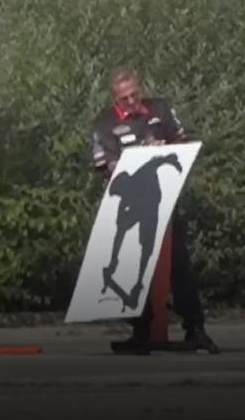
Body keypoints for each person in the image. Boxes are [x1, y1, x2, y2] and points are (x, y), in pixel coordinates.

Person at [88, 65, 219, 354]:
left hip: (165, 201)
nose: (131, 102)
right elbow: (103, 166)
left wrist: (165, 147)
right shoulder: (104, 123)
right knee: (130, 264)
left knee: (180, 265)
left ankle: (195, 328)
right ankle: (141, 330)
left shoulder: (160, 107)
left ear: (141, 89)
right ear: (115, 98)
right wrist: (134, 158)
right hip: (130, 205)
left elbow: (181, 141)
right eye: (125, 98)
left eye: (135, 95)